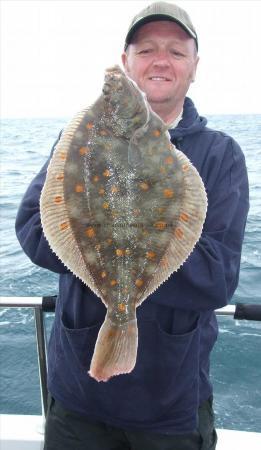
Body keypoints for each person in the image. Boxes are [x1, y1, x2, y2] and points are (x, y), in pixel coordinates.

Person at [15, 2, 249, 449]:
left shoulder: (221, 155)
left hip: (171, 408)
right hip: (76, 400)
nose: (161, 60)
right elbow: (32, 228)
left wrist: (131, 250)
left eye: (177, 52)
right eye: (146, 50)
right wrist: (108, 250)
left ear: (195, 67)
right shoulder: (79, 139)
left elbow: (218, 278)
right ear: (127, 63)